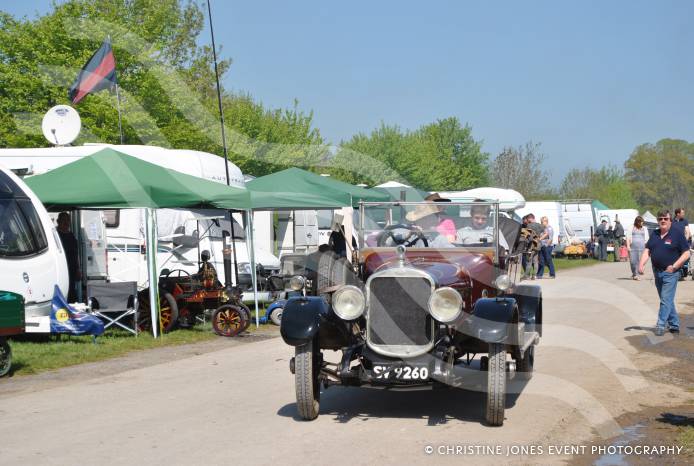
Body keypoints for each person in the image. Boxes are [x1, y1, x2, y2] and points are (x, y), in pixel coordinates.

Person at [638, 210, 690, 336]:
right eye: (660, 218)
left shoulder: (677, 234)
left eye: (665, 219)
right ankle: (674, 324)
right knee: (666, 299)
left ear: (670, 220)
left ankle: (661, 324)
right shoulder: (655, 234)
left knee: (665, 299)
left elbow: (687, 253)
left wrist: (674, 266)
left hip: (670, 273)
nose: (662, 221)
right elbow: (647, 250)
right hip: (657, 272)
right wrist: (641, 264)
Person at [56, 212, 80, 303]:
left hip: (72, 268)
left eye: (67, 221)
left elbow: (75, 253)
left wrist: (78, 269)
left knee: (71, 290)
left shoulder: (71, 236)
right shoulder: (56, 234)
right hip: (61, 268)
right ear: (58, 221)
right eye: (63, 221)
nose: (66, 223)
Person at [626, 216, 648, 280]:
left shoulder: (644, 228)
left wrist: (647, 247)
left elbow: (647, 238)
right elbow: (627, 237)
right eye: (641, 222)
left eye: (642, 222)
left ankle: (636, 275)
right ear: (637, 222)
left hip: (642, 247)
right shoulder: (631, 227)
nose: (642, 223)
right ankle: (634, 273)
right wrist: (628, 246)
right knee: (633, 261)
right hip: (633, 247)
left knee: (640, 261)